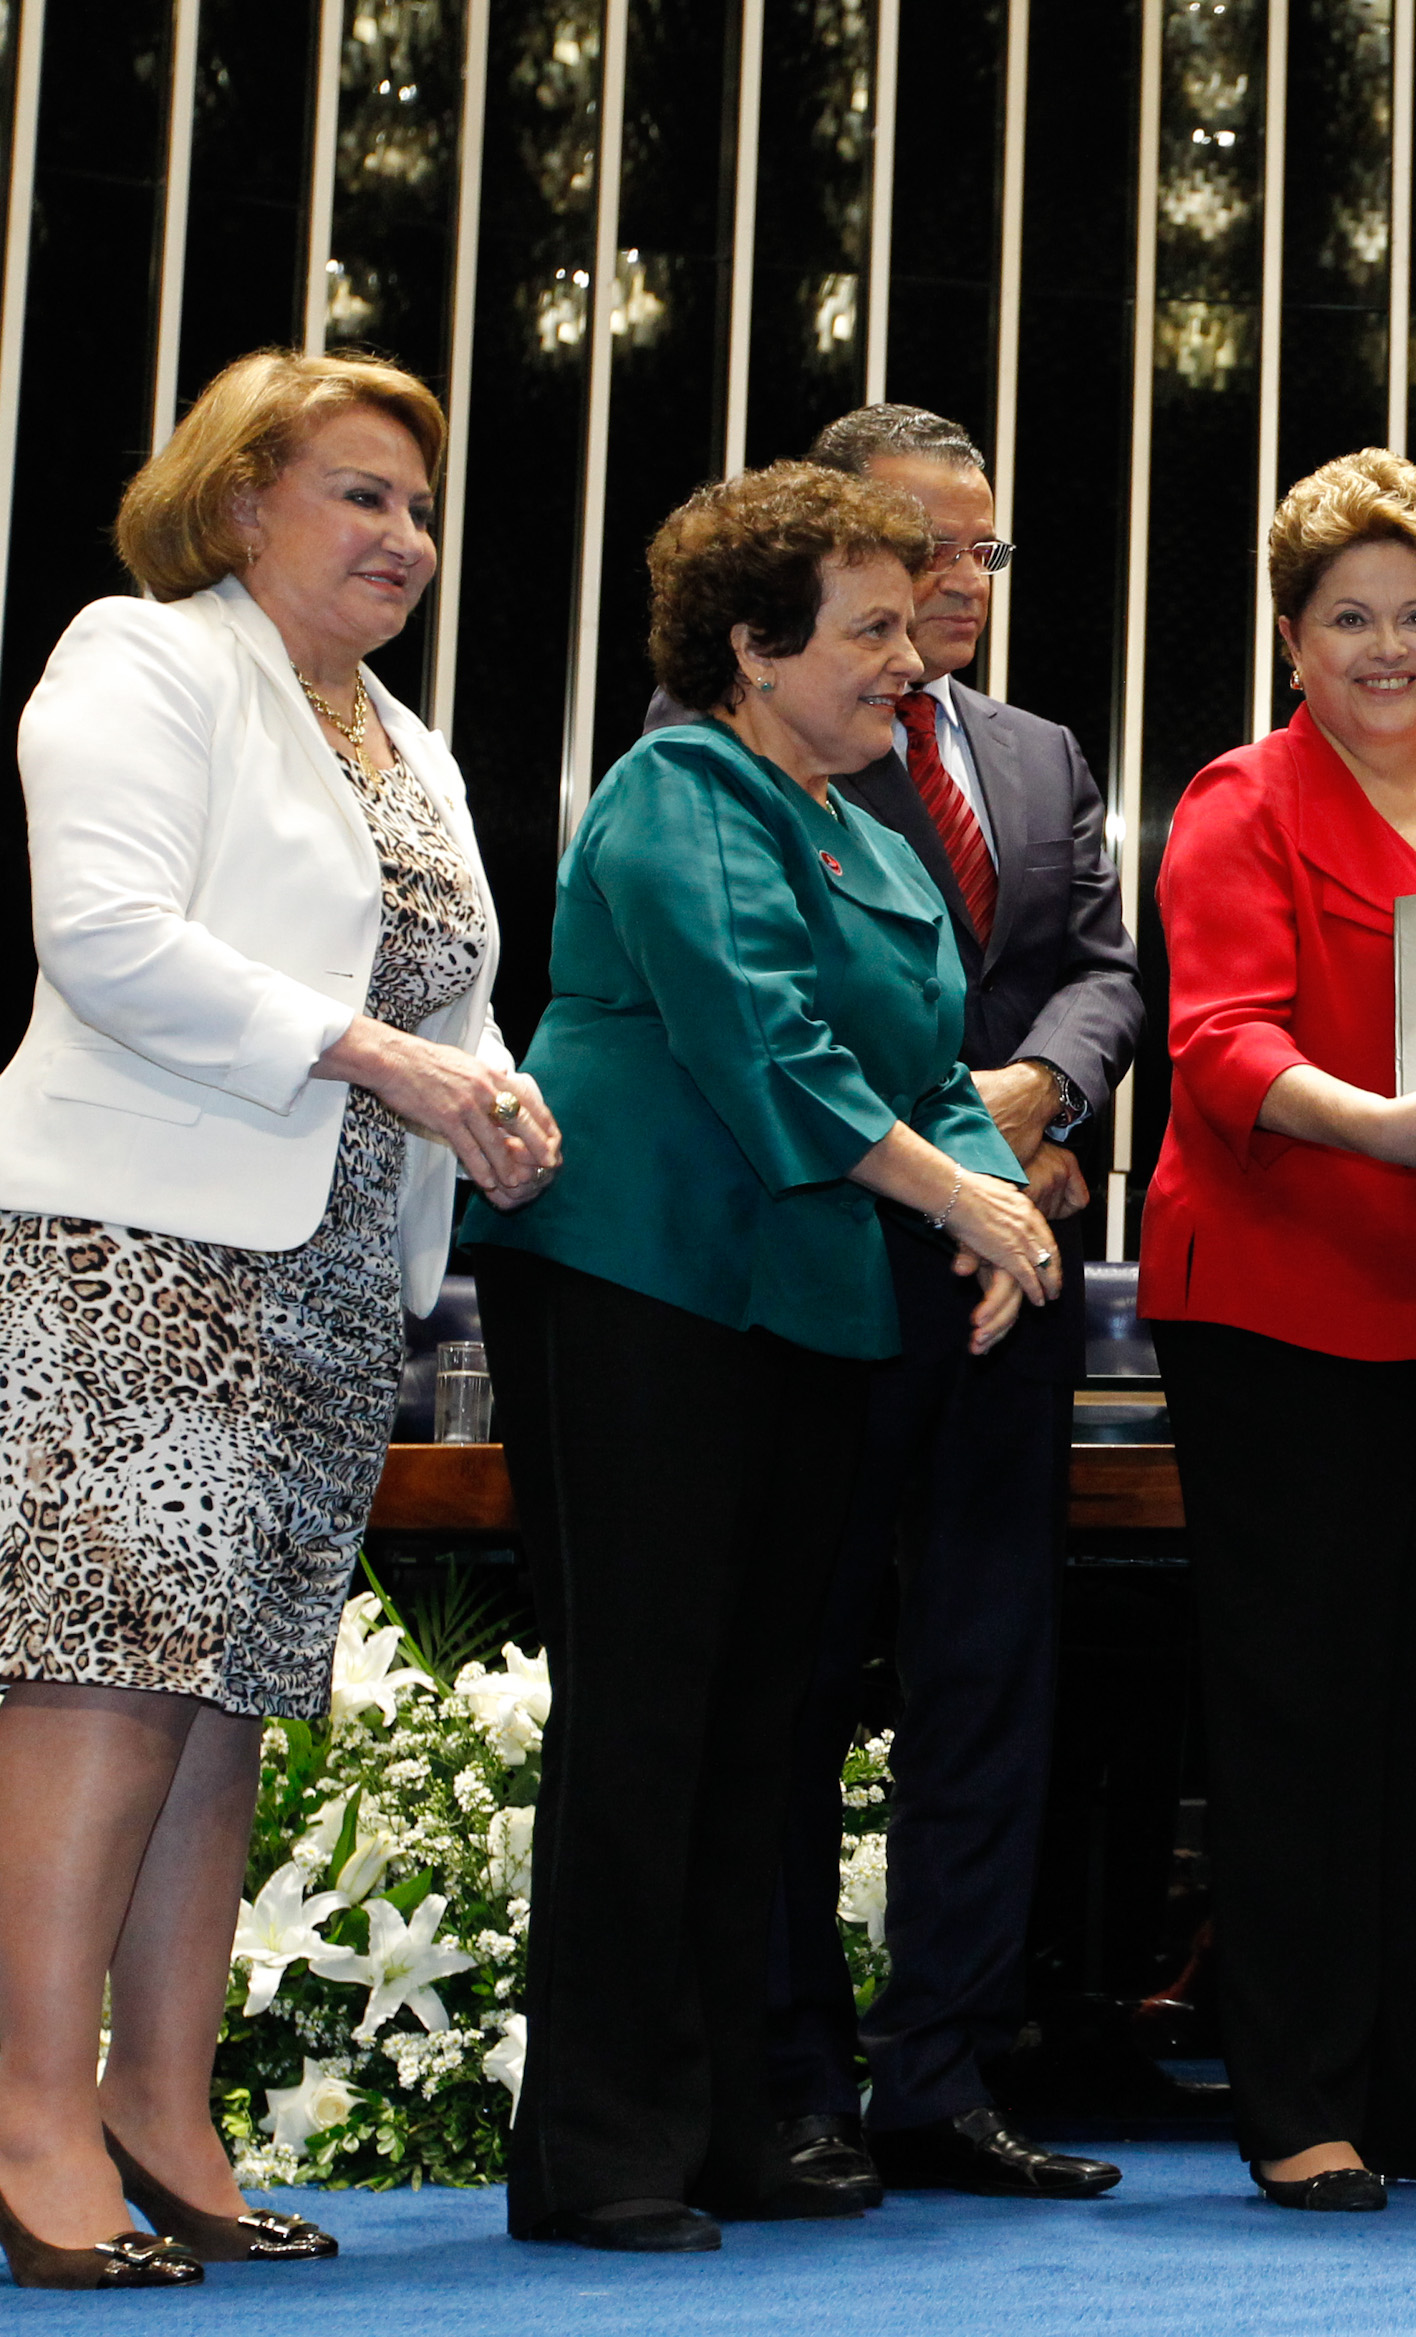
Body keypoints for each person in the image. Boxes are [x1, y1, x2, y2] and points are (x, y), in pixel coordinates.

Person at [0, 349, 553, 2291]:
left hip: (328, 1275)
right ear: (243, 499)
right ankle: (30, 2118)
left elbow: (447, 983)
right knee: (103, 1672)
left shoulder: (408, 738)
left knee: (226, 1693)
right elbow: (112, 935)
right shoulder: (144, 660)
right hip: (136, 1241)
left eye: (420, 503)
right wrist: (391, 1054)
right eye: (360, 493)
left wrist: (495, 1089)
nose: (405, 535)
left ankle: (165, 2103)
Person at [464, 463, 1055, 2254]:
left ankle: (730, 2117)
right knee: (647, 1718)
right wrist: (966, 1190)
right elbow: (769, 1048)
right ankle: (597, 2148)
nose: (907, 658)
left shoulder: (872, 833)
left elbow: (932, 1060)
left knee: (759, 1725)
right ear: (750, 644)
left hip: (804, 1307)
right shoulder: (678, 788)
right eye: (869, 628)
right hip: (638, 1289)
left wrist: (996, 1206)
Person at [1141, 449, 1416, 2212]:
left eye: (1414, 616)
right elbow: (1218, 1041)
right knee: (1296, 1707)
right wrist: (1379, 1122)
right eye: (1348, 619)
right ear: (1290, 637)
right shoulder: (1238, 798)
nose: (1385, 646)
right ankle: (1294, 2090)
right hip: (1282, 1296)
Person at [710, 405, 1137, 2211]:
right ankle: (789, 2076)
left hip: (1014, 1271)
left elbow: (1107, 974)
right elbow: (771, 1003)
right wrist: (958, 1148)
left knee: (989, 1673)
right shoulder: (738, 738)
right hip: (823, 1262)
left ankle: (945, 2074)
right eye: (914, 550)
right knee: (799, 1680)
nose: (954, 585)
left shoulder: (1036, 750)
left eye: (982, 551)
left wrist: (1032, 1122)